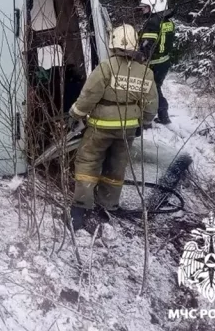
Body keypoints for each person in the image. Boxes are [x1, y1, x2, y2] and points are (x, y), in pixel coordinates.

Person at [66, 24, 158, 231]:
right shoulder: (146, 73)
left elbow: (89, 96)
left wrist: (75, 114)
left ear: (113, 44)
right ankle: (107, 206)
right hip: (127, 131)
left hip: (100, 127)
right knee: (116, 166)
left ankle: (80, 209)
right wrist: (142, 122)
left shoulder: (106, 68)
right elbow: (151, 105)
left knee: (88, 162)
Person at [137, 0, 176, 125]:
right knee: (156, 88)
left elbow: (147, 46)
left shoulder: (152, 23)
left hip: (153, 64)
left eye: (145, 7)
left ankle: (146, 119)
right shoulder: (167, 22)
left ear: (154, 7)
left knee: (148, 90)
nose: (142, 10)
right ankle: (163, 115)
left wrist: (138, 57)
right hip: (164, 62)